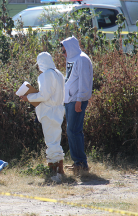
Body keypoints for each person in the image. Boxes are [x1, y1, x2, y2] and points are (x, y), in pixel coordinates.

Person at [20, 52, 65, 175]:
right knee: (56, 140)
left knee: (51, 141)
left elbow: (44, 95)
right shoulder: (58, 73)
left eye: (39, 64)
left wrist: (28, 97)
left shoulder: (46, 75)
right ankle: (59, 169)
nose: (39, 67)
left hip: (49, 111)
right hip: (58, 110)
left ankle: (54, 171)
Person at [60, 36, 93, 172]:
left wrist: (79, 99)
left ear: (70, 48)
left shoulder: (82, 59)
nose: (63, 54)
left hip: (76, 100)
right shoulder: (72, 59)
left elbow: (84, 82)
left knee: (73, 130)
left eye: (64, 51)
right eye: (62, 51)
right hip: (70, 100)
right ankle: (78, 162)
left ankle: (81, 163)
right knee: (72, 130)